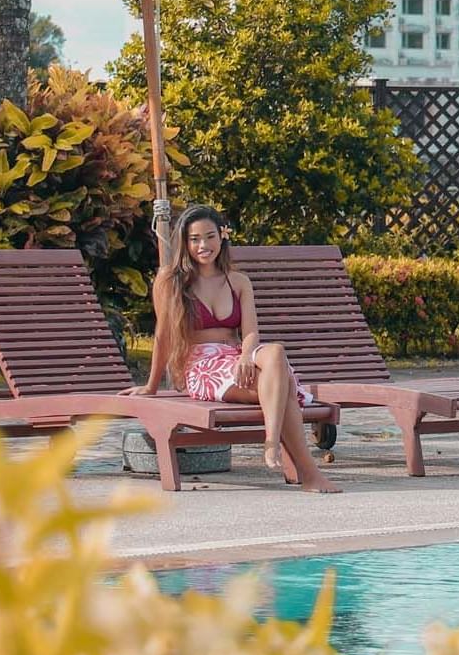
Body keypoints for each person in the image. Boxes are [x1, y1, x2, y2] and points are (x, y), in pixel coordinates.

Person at [129, 203, 341, 493]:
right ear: (185, 243)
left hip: (238, 356)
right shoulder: (171, 280)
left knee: (276, 352)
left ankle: (271, 441)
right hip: (204, 367)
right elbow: (163, 335)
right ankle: (308, 474)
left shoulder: (238, 281)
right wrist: (151, 386)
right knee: (286, 388)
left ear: (222, 237)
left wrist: (244, 356)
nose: (204, 245)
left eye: (210, 236)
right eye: (195, 239)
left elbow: (251, 331)